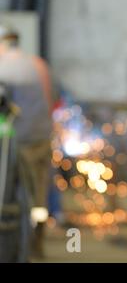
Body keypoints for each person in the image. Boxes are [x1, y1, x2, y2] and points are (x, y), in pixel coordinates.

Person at [0, 23, 53, 259]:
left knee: (17, 195)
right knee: (39, 195)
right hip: (43, 136)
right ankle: (37, 243)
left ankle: (21, 248)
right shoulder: (38, 64)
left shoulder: (3, 67)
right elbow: (53, 98)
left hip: (19, 140)